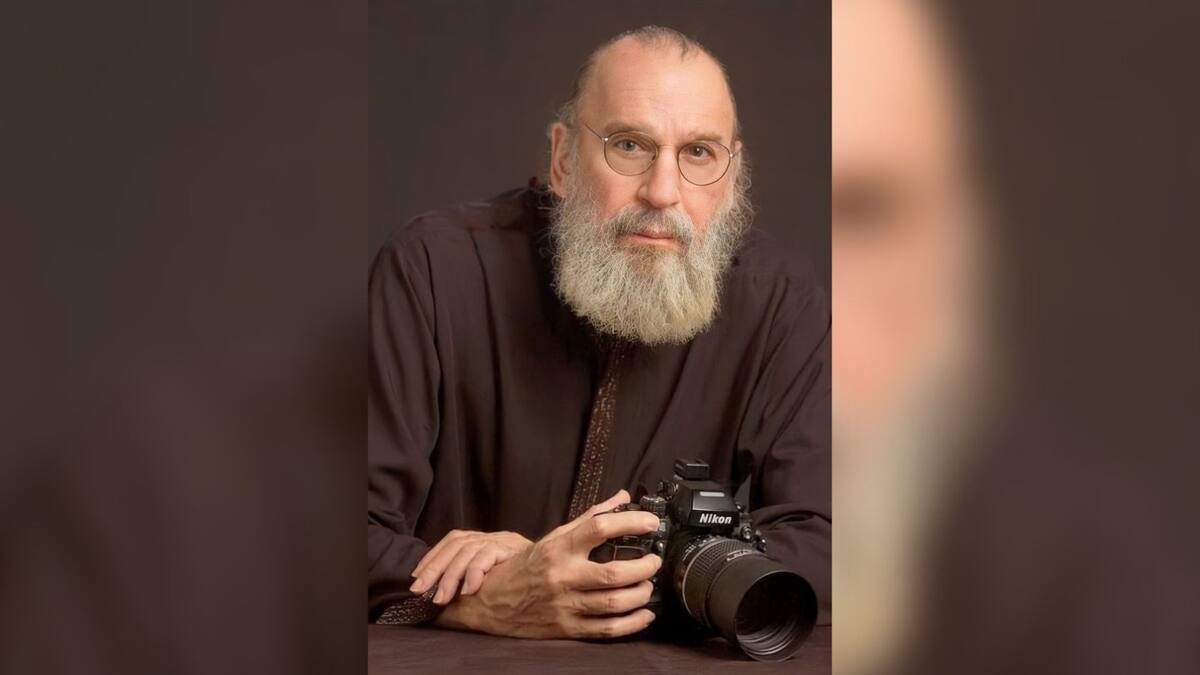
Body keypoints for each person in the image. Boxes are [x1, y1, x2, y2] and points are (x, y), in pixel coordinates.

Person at [367, 25, 830, 639]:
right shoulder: (432, 267)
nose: (662, 192)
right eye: (630, 145)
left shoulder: (778, 299)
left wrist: (589, 578)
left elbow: (829, 540)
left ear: (730, 174)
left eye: (698, 153)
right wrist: (488, 598)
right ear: (563, 160)